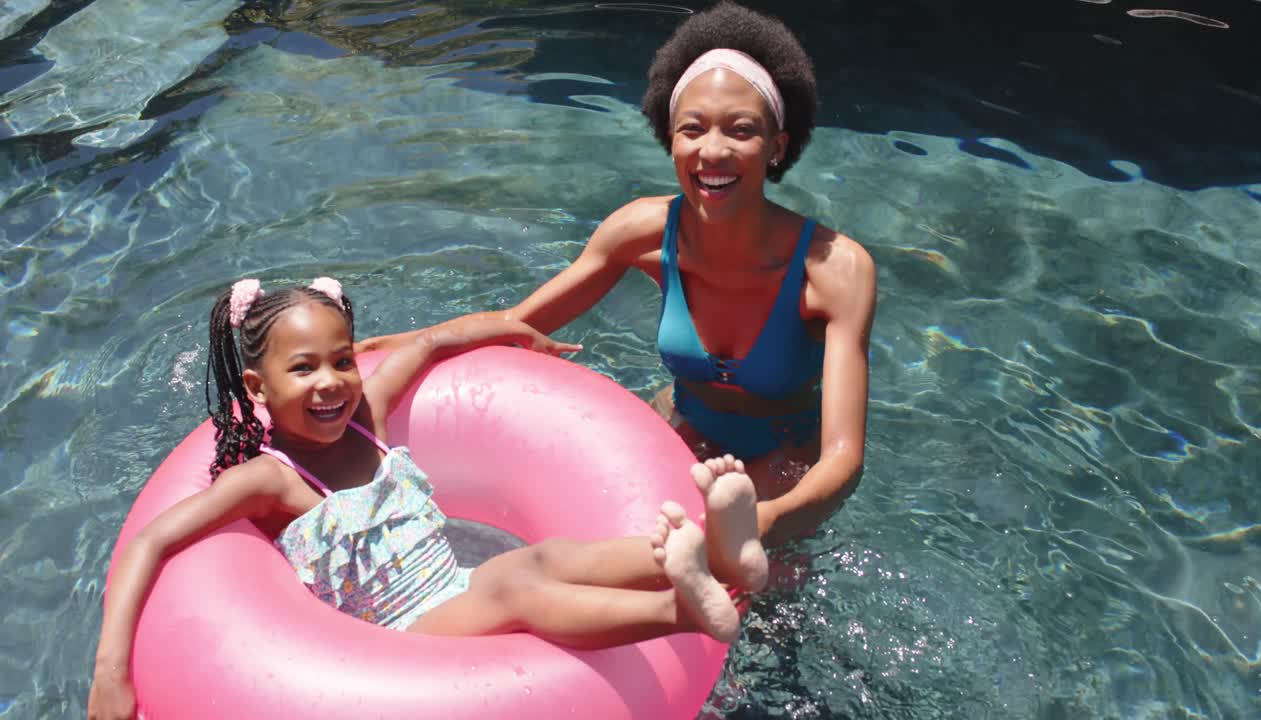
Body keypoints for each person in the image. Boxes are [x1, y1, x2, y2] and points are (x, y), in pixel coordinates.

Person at [357, 2, 876, 585]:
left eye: (741, 130)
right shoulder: (642, 233)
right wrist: (396, 347)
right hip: (678, 430)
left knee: (745, 623)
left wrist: (760, 520)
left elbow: (843, 459)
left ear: (777, 145)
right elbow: (517, 326)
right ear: (669, 137)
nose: (712, 152)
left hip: (782, 473)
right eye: (692, 128)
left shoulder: (834, 269)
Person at [87, 277, 770, 720]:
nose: (330, 382)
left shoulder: (371, 422)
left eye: (342, 359)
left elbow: (433, 343)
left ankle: (717, 555)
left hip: (458, 588)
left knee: (544, 559)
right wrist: (111, 671)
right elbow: (152, 538)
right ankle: (680, 610)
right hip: (405, 640)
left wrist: (514, 329)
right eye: (303, 368)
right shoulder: (270, 480)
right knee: (514, 582)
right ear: (260, 391)